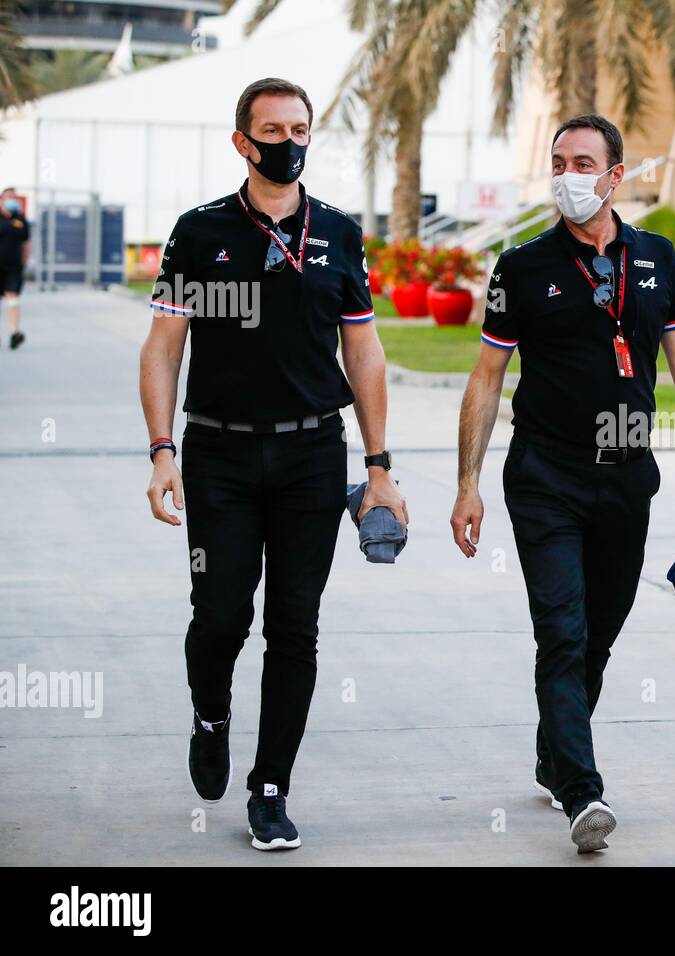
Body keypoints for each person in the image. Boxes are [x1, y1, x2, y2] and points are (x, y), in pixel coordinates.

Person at [451, 113, 675, 854]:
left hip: (626, 477)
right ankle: (583, 791)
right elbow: (487, 380)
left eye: (584, 163)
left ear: (615, 176)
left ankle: (554, 756)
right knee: (563, 630)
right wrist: (467, 483)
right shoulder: (522, 266)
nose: (567, 176)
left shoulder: (656, 258)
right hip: (544, 474)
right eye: (559, 162)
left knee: (598, 639)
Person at [138, 77, 406, 852]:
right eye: (272, 130)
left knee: (296, 626)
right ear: (242, 142)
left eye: (299, 128)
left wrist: (379, 465)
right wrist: (162, 452)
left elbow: (364, 350)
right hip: (217, 451)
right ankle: (211, 711)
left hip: (312, 453)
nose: (288, 141)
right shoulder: (199, 232)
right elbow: (163, 349)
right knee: (221, 613)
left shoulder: (341, 234)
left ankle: (270, 789)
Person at [0, 187, 30, 350]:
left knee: (12, 299)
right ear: (2, 199)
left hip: (13, 267)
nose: (11, 200)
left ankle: (14, 333)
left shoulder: (20, 219)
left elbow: (26, 243)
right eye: (8, 197)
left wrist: (25, 262)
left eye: (13, 197)